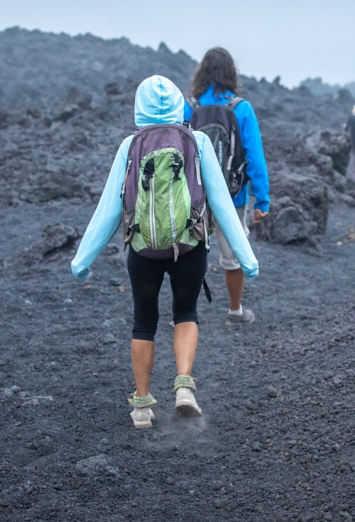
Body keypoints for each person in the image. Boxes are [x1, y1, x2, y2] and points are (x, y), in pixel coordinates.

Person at [71, 75, 259, 429]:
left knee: (144, 320)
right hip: (189, 247)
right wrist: (247, 259)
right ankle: (184, 387)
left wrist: (81, 261)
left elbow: (108, 211)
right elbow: (220, 202)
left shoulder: (130, 146)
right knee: (186, 312)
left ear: (139, 109)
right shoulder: (198, 141)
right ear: (177, 106)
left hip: (142, 250)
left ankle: (142, 406)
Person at [184, 48, 269, 326]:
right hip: (233, 196)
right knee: (232, 255)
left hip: (194, 194)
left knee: (189, 254)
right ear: (231, 73)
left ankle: (183, 316)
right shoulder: (240, 108)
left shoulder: (190, 107)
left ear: (202, 72)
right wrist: (262, 200)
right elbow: (254, 156)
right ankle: (235, 311)